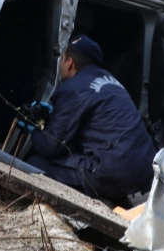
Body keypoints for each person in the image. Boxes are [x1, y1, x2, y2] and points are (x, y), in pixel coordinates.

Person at [24, 34, 157, 208]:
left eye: (62, 58)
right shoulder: (113, 82)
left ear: (69, 62)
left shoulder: (72, 89)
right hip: (145, 167)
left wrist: (34, 131)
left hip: (115, 168)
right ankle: (114, 199)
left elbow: (51, 145)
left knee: (34, 165)